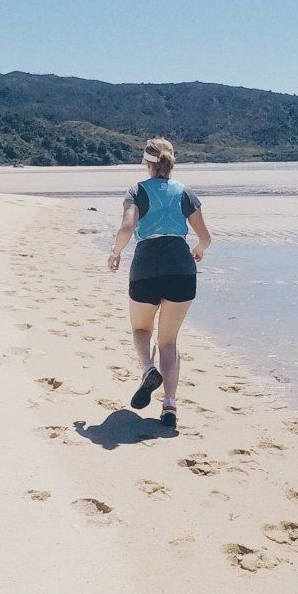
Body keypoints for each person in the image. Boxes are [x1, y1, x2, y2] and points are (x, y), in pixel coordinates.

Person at [107, 137, 211, 426]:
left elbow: (127, 227)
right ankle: (169, 407)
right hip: (181, 268)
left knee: (141, 328)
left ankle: (148, 368)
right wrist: (198, 251)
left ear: (146, 163)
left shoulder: (136, 191)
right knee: (169, 341)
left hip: (147, 267)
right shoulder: (185, 192)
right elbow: (205, 237)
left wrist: (115, 253)